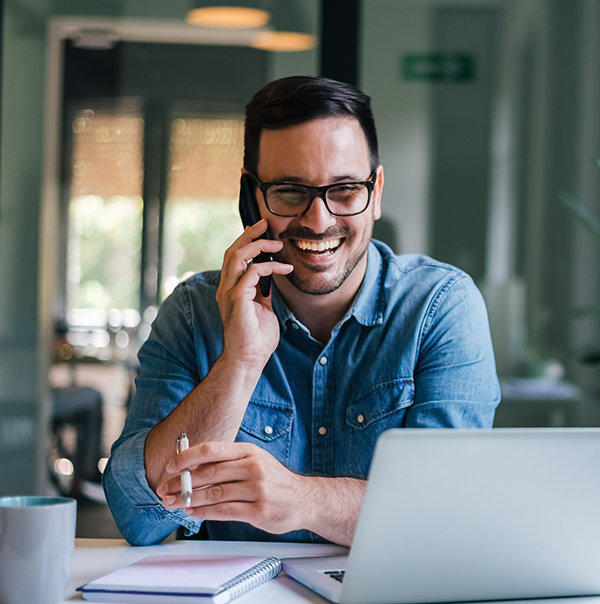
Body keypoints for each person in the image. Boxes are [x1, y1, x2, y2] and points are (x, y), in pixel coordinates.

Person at [103, 76, 500, 547]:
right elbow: (138, 518)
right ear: (252, 197)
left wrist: (301, 500)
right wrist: (240, 363)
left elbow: (448, 514)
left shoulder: (441, 307)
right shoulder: (193, 312)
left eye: (345, 190)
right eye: (290, 192)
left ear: (376, 192)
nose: (318, 220)